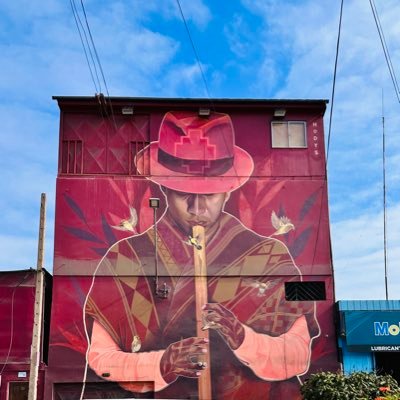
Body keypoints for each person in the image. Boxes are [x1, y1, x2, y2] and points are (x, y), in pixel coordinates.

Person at [85, 111, 319, 399]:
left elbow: (299, 354)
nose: (197, 208)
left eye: (209, 195)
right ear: (165, 190)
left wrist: (243, 338)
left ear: (227, 192)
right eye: (184, 194)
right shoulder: (125, 257)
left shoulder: (272, 255)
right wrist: (162, 363)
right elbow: (100, 358)